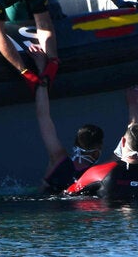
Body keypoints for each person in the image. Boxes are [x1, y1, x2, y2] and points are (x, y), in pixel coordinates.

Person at [65, 85, 138, 201]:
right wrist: (134, 105)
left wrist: (133, 104)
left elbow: (68, 194)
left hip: (109, 215)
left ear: (123, 141)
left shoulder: (99, 172)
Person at [32, 55, 105, 193]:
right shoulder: (97, 175)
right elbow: (129, 145)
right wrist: (133, 106)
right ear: (97, 151)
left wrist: (41, 68)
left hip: (43, 207)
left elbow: (43, 116)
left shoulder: (58, 158)